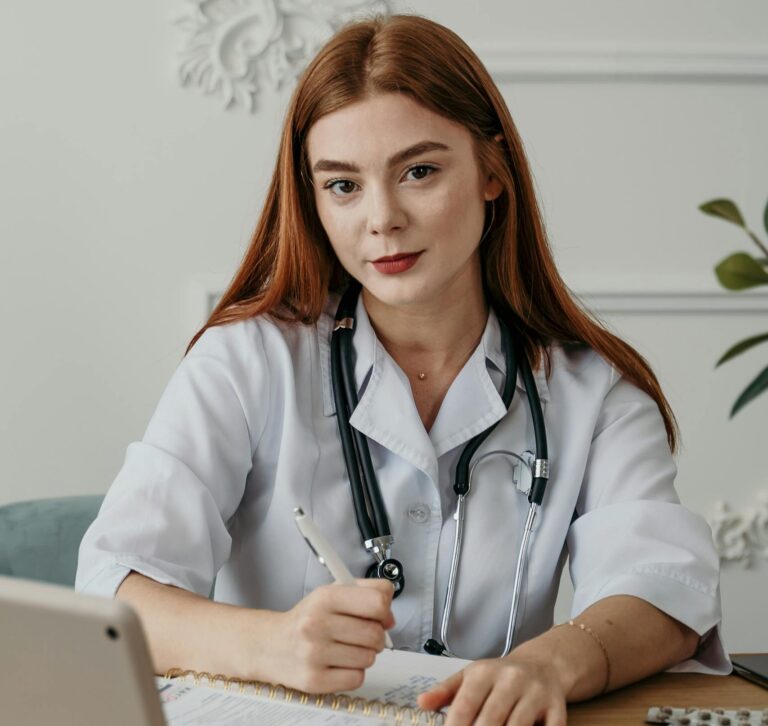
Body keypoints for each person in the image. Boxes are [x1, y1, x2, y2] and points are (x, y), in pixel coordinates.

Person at [76, 13, 730, 726]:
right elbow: (115, 589)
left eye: (419, 171)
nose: (381, 219)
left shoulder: (590, 390)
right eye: (343, 186)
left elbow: (667, 589)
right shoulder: (248, 361)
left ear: (491, 171)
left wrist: (548, 661)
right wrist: (272, 644)